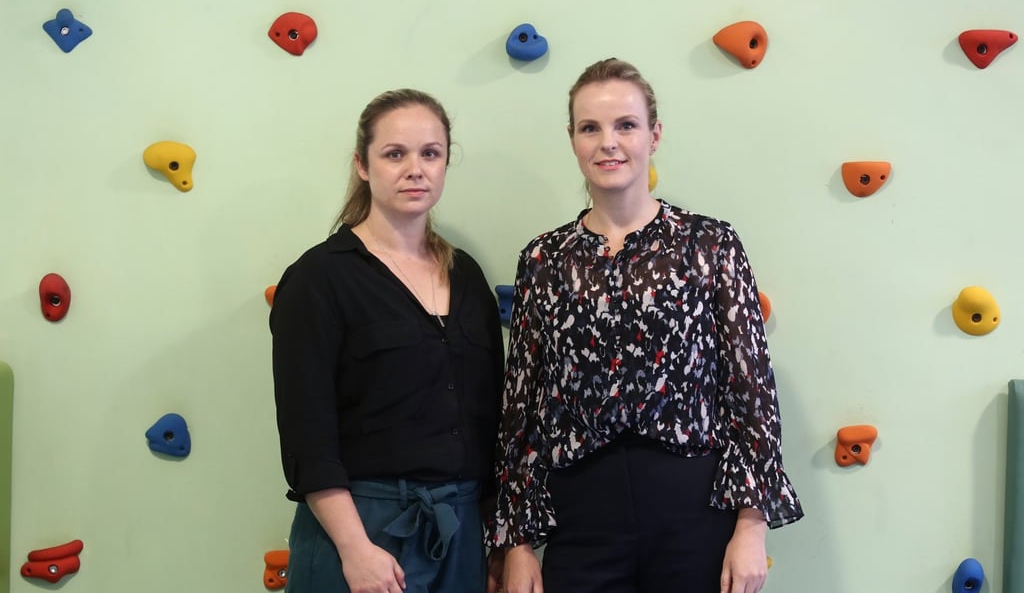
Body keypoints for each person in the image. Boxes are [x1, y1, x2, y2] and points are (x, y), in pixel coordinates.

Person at [486, 59, 804, 593]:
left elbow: (750, 392)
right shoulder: (544, 258)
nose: (608, 142)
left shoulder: (710, 245)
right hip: (581, 514)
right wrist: (516, 542)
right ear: (572, 139)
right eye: (590, 127)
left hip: (693, 511)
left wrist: (751, 527)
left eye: (625, 125)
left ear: (653, 135)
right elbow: (523, 404)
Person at [271, 88, 504, 593]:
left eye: (430, 153)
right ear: (362, 164)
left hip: (460, 533)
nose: (414, 169)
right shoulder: (318, 279)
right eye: (395, 154)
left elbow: (488, 423)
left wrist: (495, 541)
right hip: (361, 531)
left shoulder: (467, 279)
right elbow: (307, 435)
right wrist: (355, 551)